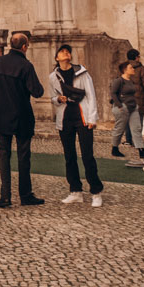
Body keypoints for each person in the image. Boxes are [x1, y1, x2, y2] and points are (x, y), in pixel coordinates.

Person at [0, 31, 45, 209]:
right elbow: (38, 92)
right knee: (23, 157)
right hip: (22, 116)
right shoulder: (25, 66)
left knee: (4, 156)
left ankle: (5, 196)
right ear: (25, 47)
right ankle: (25, 195)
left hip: (2, 116)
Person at [48, 44, 103, 206]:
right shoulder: (53, 76)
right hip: (65, 118)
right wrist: (58, 99)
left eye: (68, 52)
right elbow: (53, 97)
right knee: (69, 156)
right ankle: (75, 190)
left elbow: (91, 95)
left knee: (87, 155)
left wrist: (92, 118)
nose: (66, 53)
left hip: (82, 116)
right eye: (62, 51)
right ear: (57, 57)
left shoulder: (82, 72)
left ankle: (96, 192)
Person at [110, 60, 144, 158]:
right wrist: (120, 106)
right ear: (125, 70)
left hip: (133, 107)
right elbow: (113, 93)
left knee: (136, 128)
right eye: (131, 68)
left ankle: (142, 150)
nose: (133, 69)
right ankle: (115, 148)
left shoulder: (131, 81)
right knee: (119, 129)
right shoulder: (119, 81)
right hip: (122, 108)